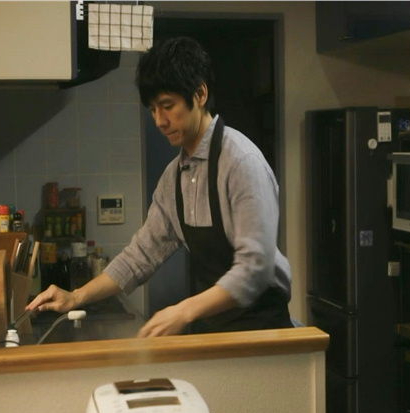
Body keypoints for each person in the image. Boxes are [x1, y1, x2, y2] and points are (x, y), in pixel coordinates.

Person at [26, 37, 292, 337]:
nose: (159, 121)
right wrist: (76, 297)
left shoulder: (241, 162)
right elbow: (141, 255)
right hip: (215, 331)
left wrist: (184, 310)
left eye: (167, 106)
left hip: (263, 333)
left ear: (200, 94)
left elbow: (255, 268)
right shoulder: (174, 177)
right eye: (153, 110)